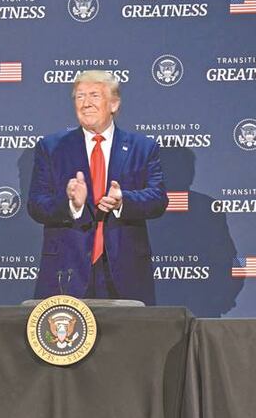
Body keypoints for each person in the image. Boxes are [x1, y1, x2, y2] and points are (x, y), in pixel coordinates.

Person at [29, 70, 167, 304]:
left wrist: (124, 200)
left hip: (124, 269)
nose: (86, 103)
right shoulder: (51, 147)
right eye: (79, 96)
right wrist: (71, 204)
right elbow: (36, 205)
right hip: (67, 269)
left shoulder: (142, 147)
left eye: (94, 95)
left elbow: (158, 199)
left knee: (127, 340)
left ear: (114, 104)